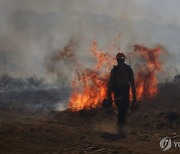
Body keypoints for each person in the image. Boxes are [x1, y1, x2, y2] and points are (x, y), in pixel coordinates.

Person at [107, 52, 137, 130]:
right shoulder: (115, 70)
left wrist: (135, 97)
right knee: (121, 107)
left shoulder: (128, 70)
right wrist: (109, 97)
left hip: (125, 91)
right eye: (119, 60)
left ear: (123, 60)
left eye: (121, 60)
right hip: (118, 91)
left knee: (125, 107)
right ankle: (120, 126)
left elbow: (133, 83)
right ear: (117, 61)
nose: (120, 61)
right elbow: (110, 83)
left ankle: (120, 124)